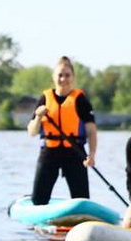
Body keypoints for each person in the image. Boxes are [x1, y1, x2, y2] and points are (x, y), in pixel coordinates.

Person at [26, 56, 97, 204]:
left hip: (75, 152)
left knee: (81, 199)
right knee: (39, 199)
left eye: (67, 75)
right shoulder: (45, 99)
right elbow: (32, 132)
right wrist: (38, 116)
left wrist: (91, 155)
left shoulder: (81, 100)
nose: (63, 79)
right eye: (60, 75)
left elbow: (91, 131)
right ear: (53, 77)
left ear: (73, 77)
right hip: (49, 153)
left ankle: (80, 221)